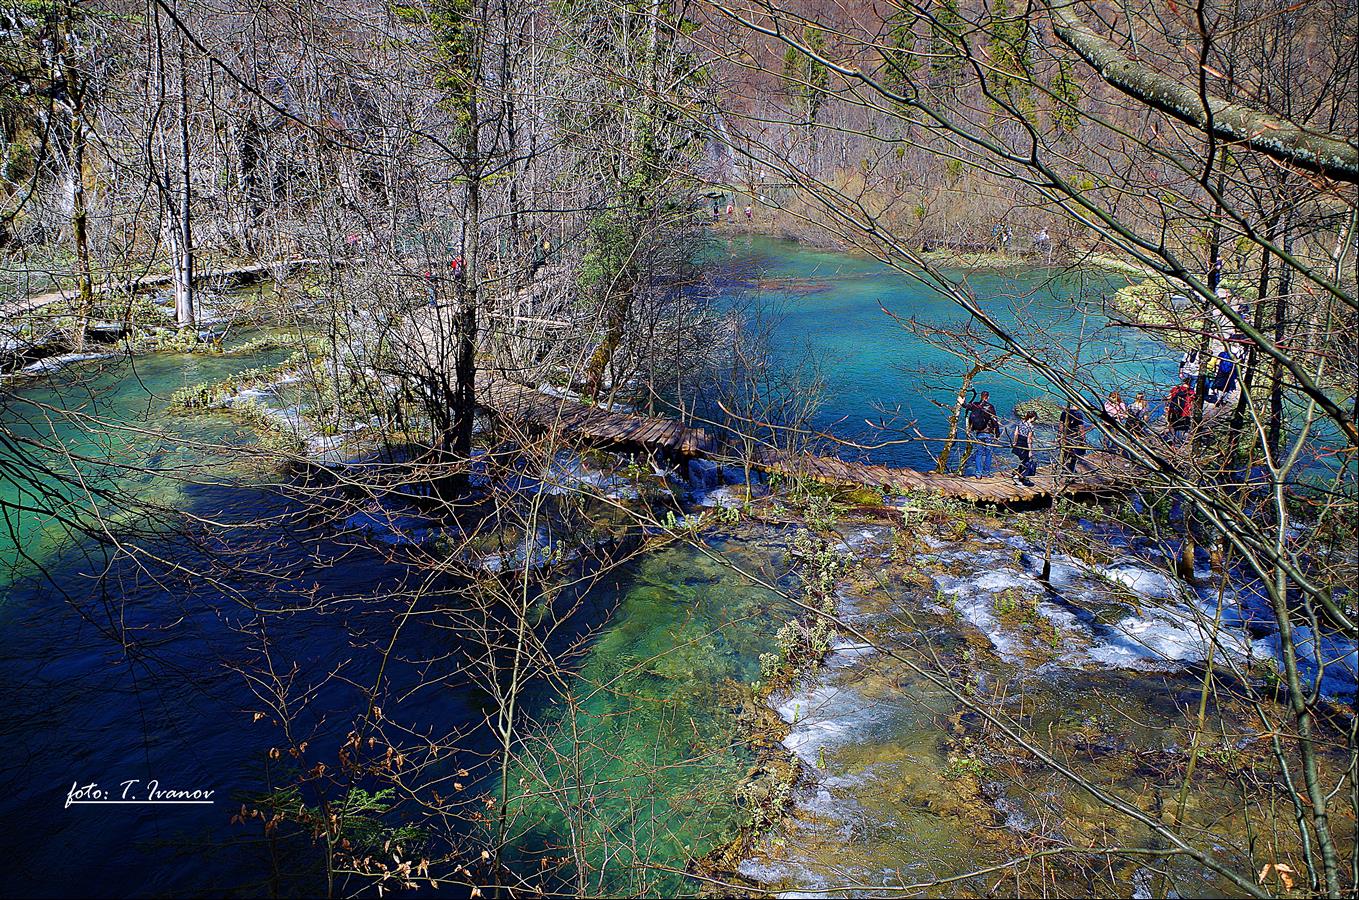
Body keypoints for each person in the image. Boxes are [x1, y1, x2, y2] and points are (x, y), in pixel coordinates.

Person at [962, 389, 1001, 476]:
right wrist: (997, 433)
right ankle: (986, 472)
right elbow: (995, 421)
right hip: (988, 433)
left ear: (981, 396)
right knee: (988, 454)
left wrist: (962, 397)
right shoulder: (990, 407)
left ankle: (978, 473)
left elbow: (965, 405)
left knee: (979, 453)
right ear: (988, 397)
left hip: (979, 432)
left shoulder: (975, 405)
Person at [1058, 402, 1090, 473]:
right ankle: (1071, 468)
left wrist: (1059, 435)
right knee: (1074, 453)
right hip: (1075, 436)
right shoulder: (1078, 414)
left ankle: (1063, 467)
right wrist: (1083, 439)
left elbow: (1061, 425)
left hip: (1065, 434)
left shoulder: (1064, 413)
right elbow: (1081, 429)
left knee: (1065, 451)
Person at [1010, 410, 1038, 486]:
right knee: (1027, 461)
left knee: (1023, 460)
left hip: (1019, 441)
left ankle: (1018, 474)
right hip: (1025, 444)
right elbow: (1029, 439)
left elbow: (1016, 433)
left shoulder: (1020, 423)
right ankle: (1018, 476)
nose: (1034, 420)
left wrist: (1014, 442)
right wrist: (1030, 451)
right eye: (1034, 418)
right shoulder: (1030, 426)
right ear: (1032, 417)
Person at [1167, 378, 1195, 444]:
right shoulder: (1191, 392)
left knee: (1172, 425)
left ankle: (1171, 439)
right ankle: (1177, 442)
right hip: (1184, 413)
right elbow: (1192, 403)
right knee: (1181, 428)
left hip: (1174, 411)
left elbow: (1169, 398)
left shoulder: (1175, 389)